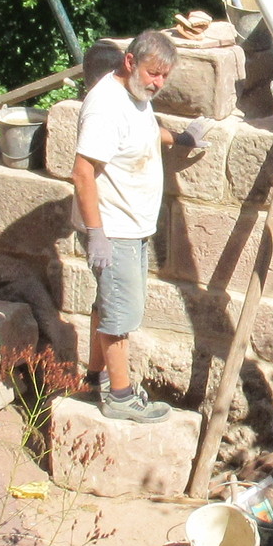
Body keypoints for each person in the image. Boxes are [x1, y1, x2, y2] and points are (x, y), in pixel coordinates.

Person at [71, 30, 210, 424]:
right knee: (121, 315)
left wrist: (180, 138)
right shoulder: (105, 107)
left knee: (107, 305)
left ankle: (95, 379)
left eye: (164, 76)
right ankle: (120, 398)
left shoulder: (133, 95)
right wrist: (97, 234)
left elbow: (141, 132)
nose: (157, 83)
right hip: (114, 228)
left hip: (131, 226)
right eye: (153, 73)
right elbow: (82, 172)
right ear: (130, 62)